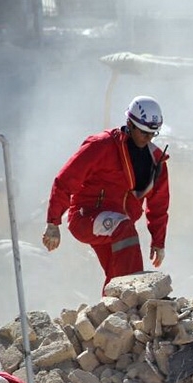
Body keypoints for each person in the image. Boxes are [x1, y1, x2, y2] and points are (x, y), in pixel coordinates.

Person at [42, 95, 170, 289]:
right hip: (85, 218)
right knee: (125, 230)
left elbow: (159, 205)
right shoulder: (101, 146)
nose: (148, 138)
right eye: (144, 132)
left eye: (153, 134)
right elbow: (66, 179)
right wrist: (53, 222)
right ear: (130, 123)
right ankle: (136, 295)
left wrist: (158, 242)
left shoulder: (155, 160)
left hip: (115, 226)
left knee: (116, 275)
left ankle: (114, 311)